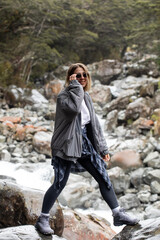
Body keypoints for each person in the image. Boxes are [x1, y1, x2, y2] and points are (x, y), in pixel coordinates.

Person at [35, 63, 139, 235]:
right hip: (66, 144)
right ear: (71, 78)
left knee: (103, 176)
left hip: (84, 142)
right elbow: (74, 110)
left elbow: (94, 124)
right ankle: (43, 219)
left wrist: (102, 148)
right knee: (60, 182)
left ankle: (118, 213)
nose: (82, 78)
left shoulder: (87, 97)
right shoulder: (64, 96)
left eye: (84, 75)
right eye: (78, 75)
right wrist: (75, 86)